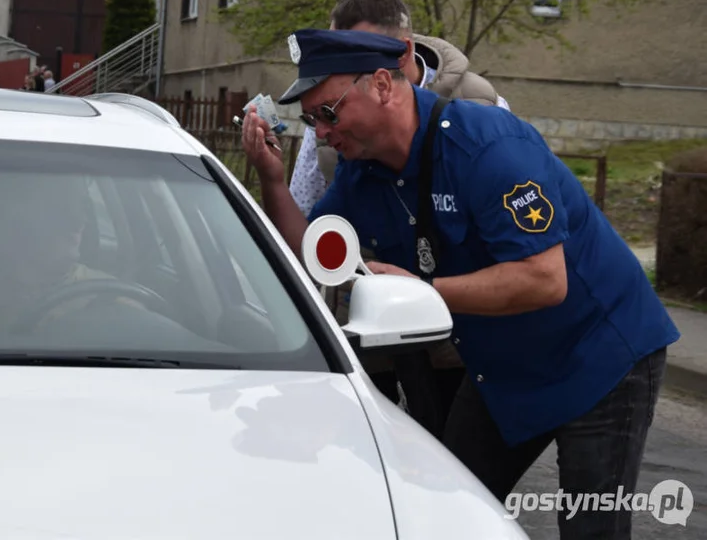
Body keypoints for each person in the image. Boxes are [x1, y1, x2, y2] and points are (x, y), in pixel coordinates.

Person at [240, 27, 679, 539]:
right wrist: (272, 179)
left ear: (382, 85)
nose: (319, 133)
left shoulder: (487, 145)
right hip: (504, 362)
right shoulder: (364, 173)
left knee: (591, 528)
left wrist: (421, 290)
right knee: (441, 513)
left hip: (599, 355)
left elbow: (544, 280)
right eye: (311, 118)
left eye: (329, 113)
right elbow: (316, 256)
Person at [292, 0, 511, 435]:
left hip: (460, 333)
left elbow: (521, 247)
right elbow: (305, 222)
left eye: (358, 54)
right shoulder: (334, 121)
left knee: (456, 460)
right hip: (369, 326)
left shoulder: (481, 108)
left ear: (400, 53)